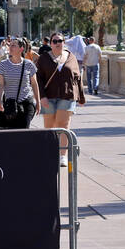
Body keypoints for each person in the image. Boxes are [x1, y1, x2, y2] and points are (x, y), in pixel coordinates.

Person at [33, 32, 87, 168]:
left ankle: (63, 155)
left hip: (67, 95)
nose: (57, 43)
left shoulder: (71, 57)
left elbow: (77, 77)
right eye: (54, 41)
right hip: (48, 97)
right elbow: (38, 78)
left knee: (63, 125)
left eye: (60, 41)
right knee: (50, 126)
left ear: (64, 42)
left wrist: (81, 96)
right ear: (50, 43)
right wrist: (41, 97)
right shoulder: (44, 58)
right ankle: (51, 152)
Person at [0, 39, 40, 128]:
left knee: (23, 130)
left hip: (26, 103)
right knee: (11, 133)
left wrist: (38, 102)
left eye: (13, 45)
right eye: (10, 45)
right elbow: (0, 84)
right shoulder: (3, 65)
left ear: (21, 49)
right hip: (10, 104)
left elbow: (34, 84)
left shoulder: (29, 64)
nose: (10, 47)